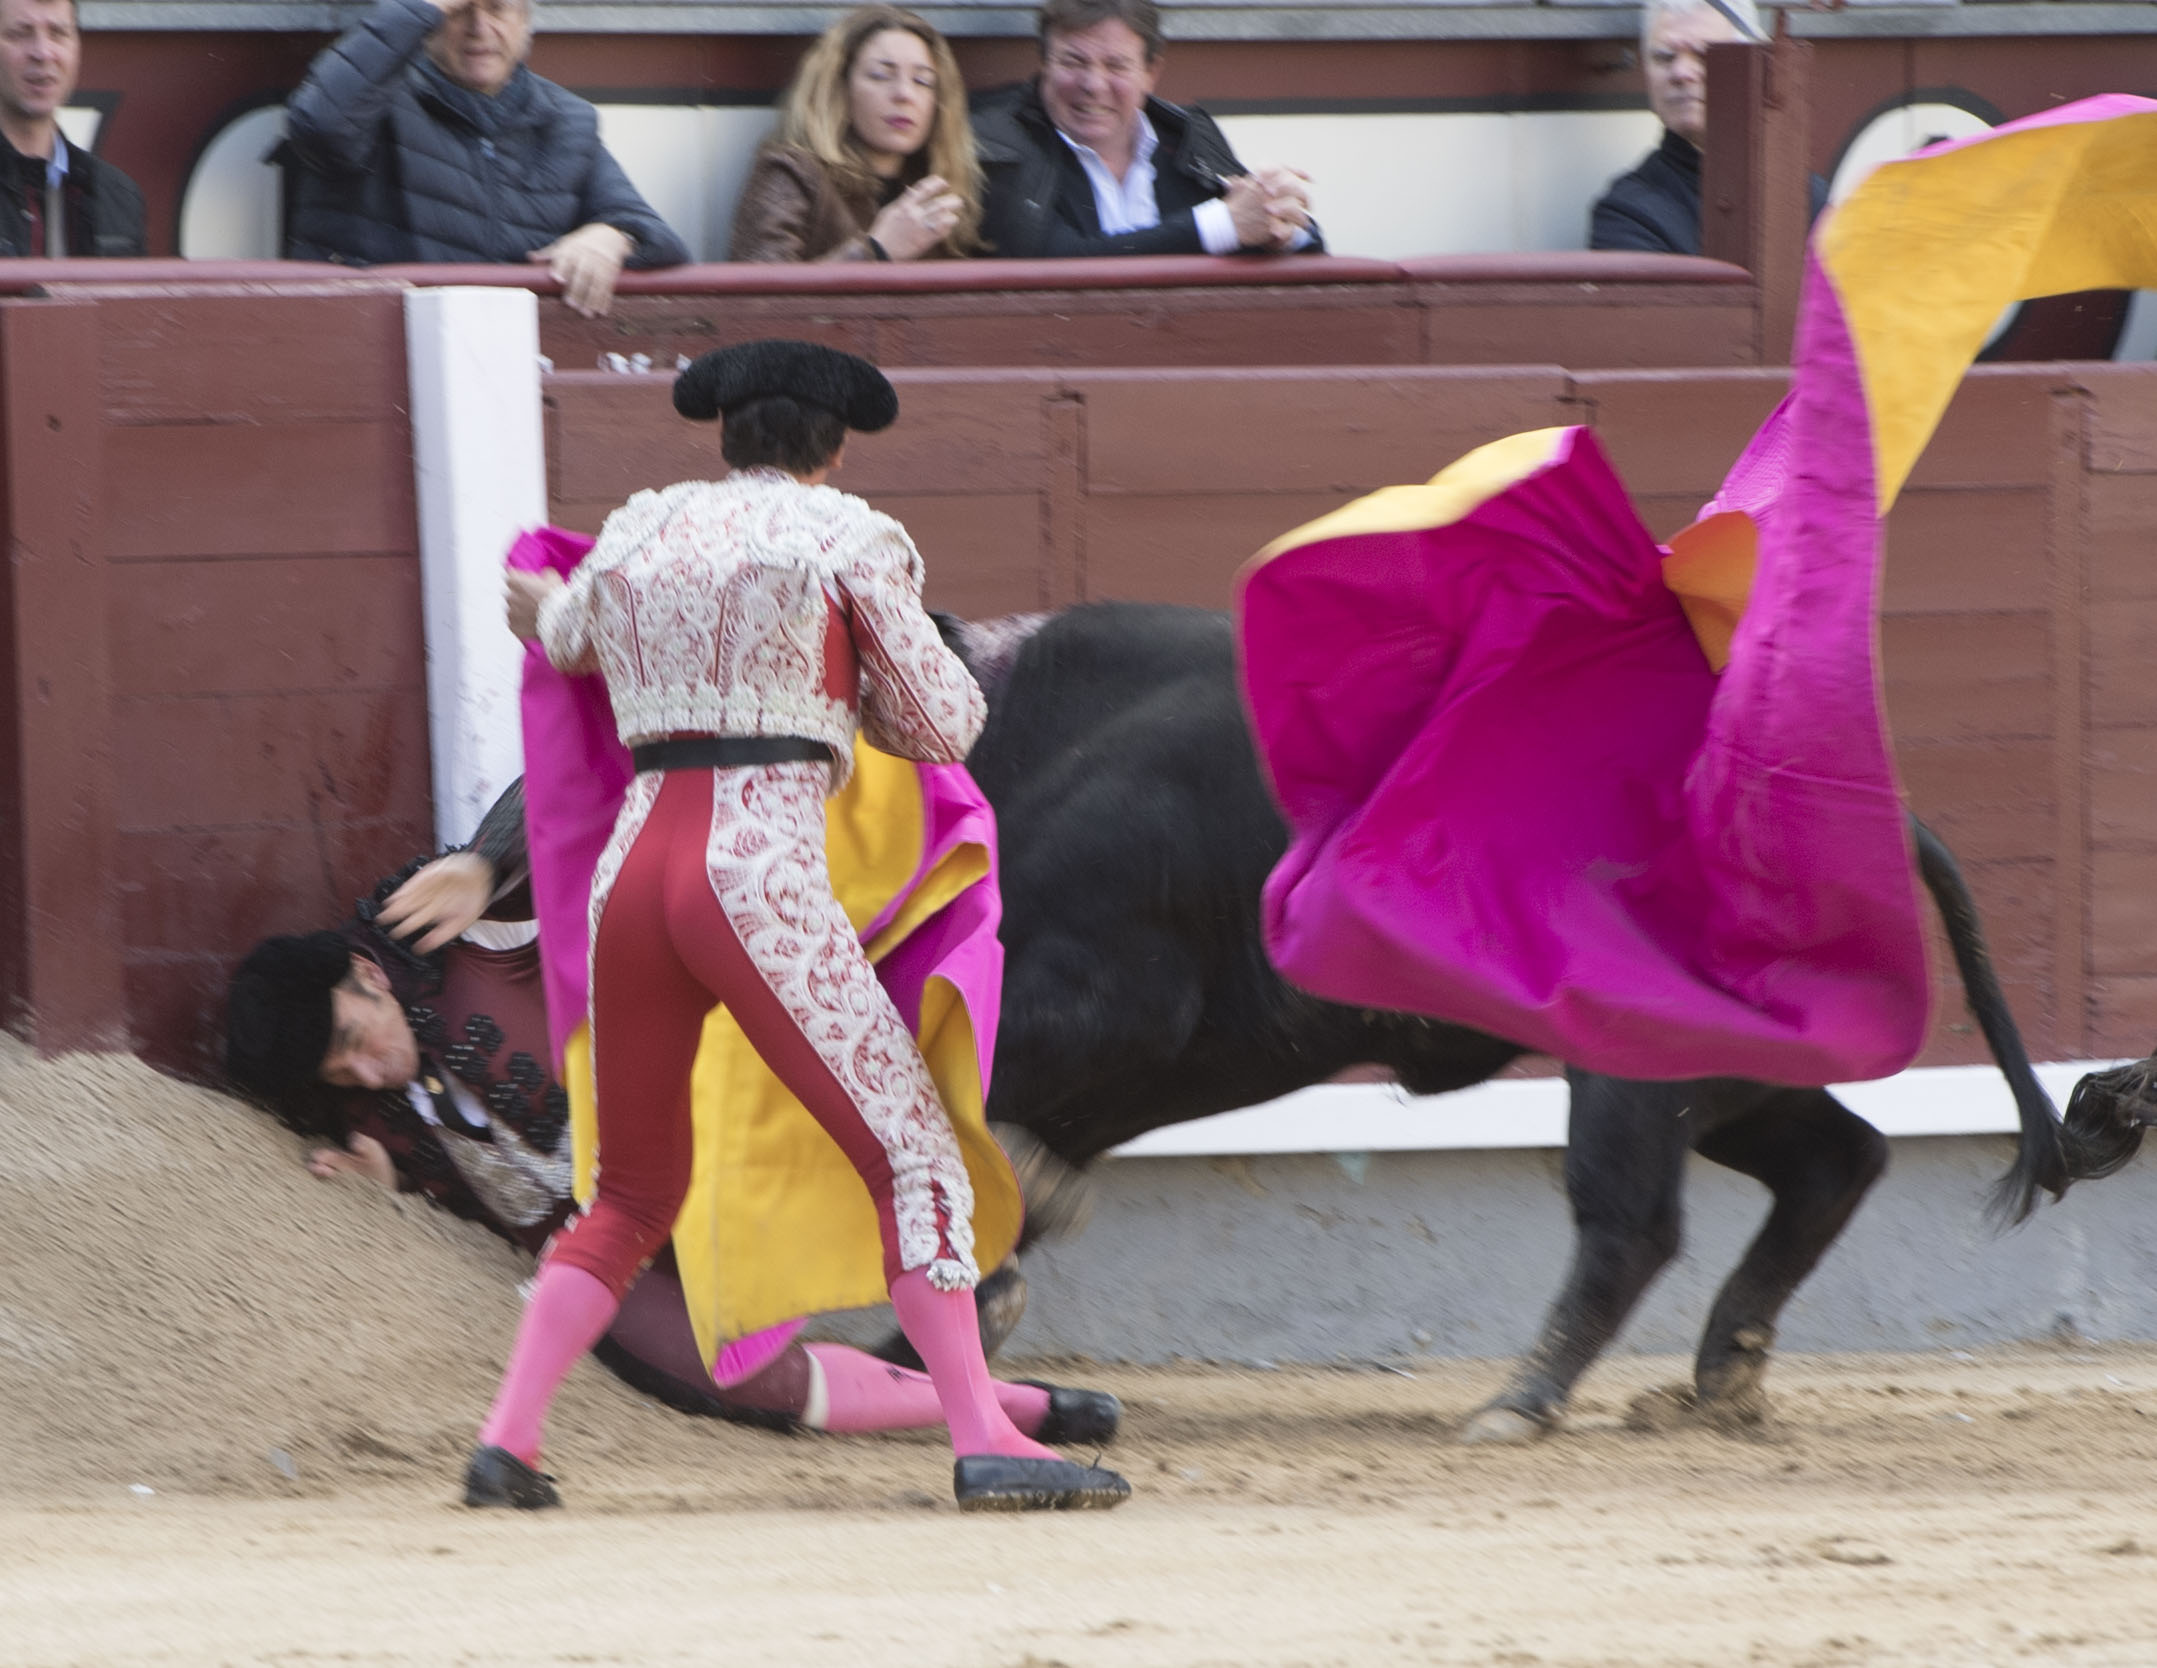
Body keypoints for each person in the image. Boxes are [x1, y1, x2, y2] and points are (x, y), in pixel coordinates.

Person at [487, 337, 1130, 1512]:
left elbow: (560, 634)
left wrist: (539, 604)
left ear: (725, 438)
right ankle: (984, 1434)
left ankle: (507, 1445)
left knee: (628, 1195)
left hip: (634, 873)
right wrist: (872, 682)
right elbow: (944, 724)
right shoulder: (847, 538)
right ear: (833, 451)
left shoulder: (638, 531)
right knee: (915, 1156)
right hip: (757, 874)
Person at [224, 783, 1123, 1447]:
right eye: (339, 1069)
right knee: (729, 1383)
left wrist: (485, 860)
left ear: (369, 974)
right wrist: (396, 1194)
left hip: (716, 1135)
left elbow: (581, 779)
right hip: (618, 1246)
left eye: (353, 1033)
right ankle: (1020, 1406)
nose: (363, 1067)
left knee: (839, 1127)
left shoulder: (450, 932)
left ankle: (974, 1179)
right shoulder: (374, 1127)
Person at [277, 0, 687, 317]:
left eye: (497, 8)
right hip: (373, 360)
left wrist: (612, 237)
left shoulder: (566, 118)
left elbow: (657, 235)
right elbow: (319, 126)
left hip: (511, 371)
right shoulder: (372, 101)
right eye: (460, 10)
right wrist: (414, 11)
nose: (479, 29)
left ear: (524, 21)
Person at [971, 0, 1318, 259]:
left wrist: (1280, 220)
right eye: (1073, 62)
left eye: (1116, 65)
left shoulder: (1187, 134)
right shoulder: (996, 137)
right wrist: (1222, 226)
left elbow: (1305, 248)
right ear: (1043, 63)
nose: (1093, 84)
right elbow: (1056, 259)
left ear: (1151, 73)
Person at [729, 5, 981, 264]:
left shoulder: (939, 189)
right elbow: (761, 297)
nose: (905, 94)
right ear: (839, 88)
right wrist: (876, 251)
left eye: (922, 81)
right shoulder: (791, 173)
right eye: (881, 75)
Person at [1589, 0, 1824, 256]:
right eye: (1665, 57)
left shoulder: (1808, 196)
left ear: (1752, 68)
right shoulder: (1627, 214)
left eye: (1704, 55)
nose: (1681, 72)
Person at [0, 0, 143, 256]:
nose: (43, 53)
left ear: (77, 47)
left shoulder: (119, 196)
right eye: (20, 34)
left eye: (58, 34)